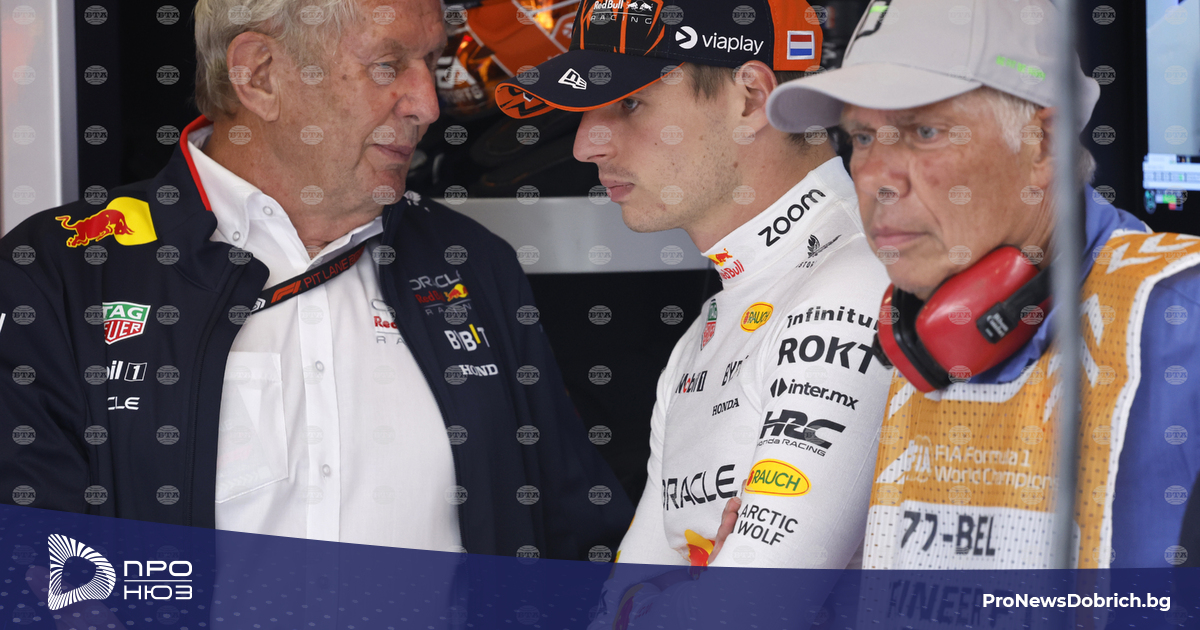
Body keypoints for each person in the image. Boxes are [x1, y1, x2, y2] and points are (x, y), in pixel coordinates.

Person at [0, 0, 631, 562]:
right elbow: (32, 563)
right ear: (260, 75)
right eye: (388, 65)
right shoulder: (62, 270)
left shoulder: (471, 261)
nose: (427, 104)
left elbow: (573, 534)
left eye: (432, 63)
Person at [767, 0, 1200, 569]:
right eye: (864, 137)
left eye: (924, 132)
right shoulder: (920, 331)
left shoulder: (1181, 320)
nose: (874, 179)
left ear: (1043, 144)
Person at [495, 0, 893, 572]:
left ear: (750, 98)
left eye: (629, 103)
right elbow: (625, 596)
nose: (585, 146)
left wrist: (676, 598)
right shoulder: (708, 329)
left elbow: (752, 606)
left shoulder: (856, 284)